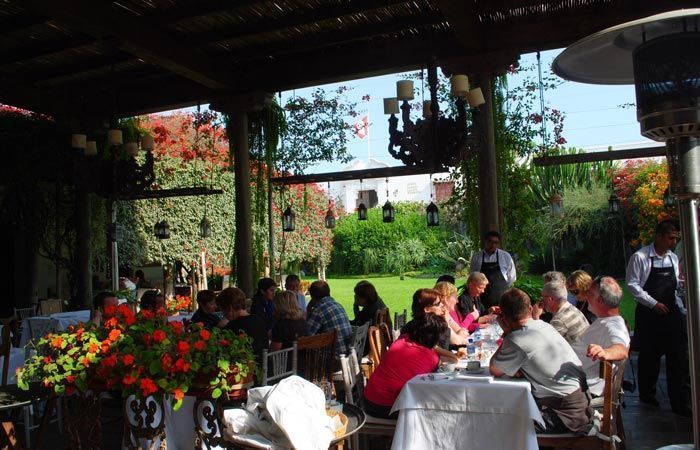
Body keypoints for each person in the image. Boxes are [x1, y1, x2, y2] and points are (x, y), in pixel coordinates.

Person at [490, 288, 592, 434]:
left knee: (501, 423)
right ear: (530, 309)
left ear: (504, 317)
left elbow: (494, 369)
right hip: (582, 401)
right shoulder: (544, 325)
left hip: (565, 414)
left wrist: (507, 333)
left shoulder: (516, 338)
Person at [626, 220, 691, 416]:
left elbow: (675, 285)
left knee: (678, 357)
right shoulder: (641, 257)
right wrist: (653, 303)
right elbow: (632, 285)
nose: (673, 242)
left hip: (671, 313)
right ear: (659, 236)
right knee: (649, 357)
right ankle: (647, 394)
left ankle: (680, 401)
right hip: (649, 314)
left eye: (676, 238)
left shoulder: (672, 258)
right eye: (671, 238)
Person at [362, 313, 449, 419]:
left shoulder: (402, 340)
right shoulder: (432, 358)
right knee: (436, 408)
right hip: (388, 407)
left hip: (368, 399)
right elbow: (449, 362)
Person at [571, 277, 630, 397]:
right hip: (575, 379)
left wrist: (605, 352)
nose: (586, 296)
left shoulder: (614, 326)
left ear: (600, 300)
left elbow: (621, 349)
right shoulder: (605, 320)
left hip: (582, 388)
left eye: (590, 293)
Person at [217, 287, 268, 362]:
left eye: (223, 311)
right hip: (266, 366)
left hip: (248, 370)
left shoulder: (233, 327)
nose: (223, 314)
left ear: (230, 308)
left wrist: (220, 326)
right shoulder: (259, 319)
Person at [469, 231, 516, 307]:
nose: (493, 245)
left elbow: (512, 277)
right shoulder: (477, 257)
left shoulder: (505, 256)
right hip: (482, 299)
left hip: (501, 299)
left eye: (496, 242)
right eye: (490, 242)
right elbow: (472, 276)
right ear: (485, 241)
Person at [306, 280, 353, 356]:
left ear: (312, 297)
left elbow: (307, 336)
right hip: (348, 353)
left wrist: (308, 309)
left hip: (333, 357)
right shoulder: (338, 305)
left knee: (301, 354)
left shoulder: (318, 310)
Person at [433, 281, 470, 346]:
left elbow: (462, 330)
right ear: (446, 299)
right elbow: (456, 341)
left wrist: (459, 335)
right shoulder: (438, 317)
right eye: (455, 297)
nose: (457, 301)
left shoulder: (446, 314)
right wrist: (458, 336)